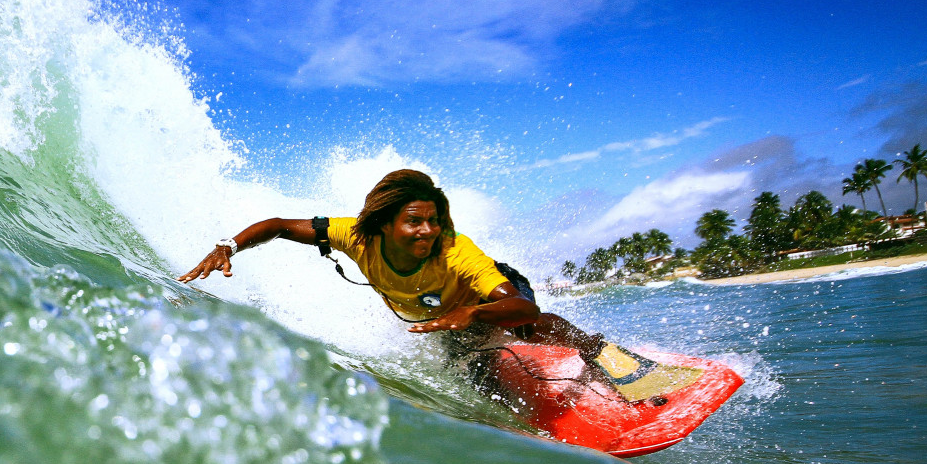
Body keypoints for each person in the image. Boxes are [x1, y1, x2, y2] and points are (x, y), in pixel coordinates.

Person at [178, 168, 609, 366]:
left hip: (486, 300)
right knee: (478, 377)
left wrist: (474, 312)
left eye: (433, 220)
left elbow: (523, 307)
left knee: (523, 327)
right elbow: (278, 226)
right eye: (414, 222)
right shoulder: (355, 235)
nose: (427, 231)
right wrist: (229, 245)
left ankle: (590, 346)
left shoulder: (456, 251)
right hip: (446, 318)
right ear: (385, 223)